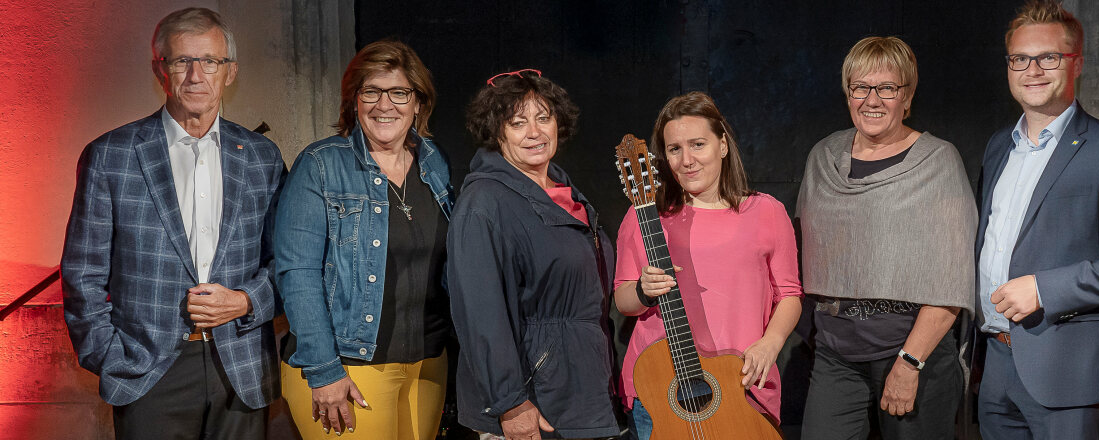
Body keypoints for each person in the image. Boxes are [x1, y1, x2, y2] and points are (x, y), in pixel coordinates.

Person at [60, 8, 284, 439]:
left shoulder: (262, 157)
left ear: (230, 72)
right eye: (182, 61)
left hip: (239, 366)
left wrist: (246, 301)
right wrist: (109, 355)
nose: (196, 75)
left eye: (211, 61)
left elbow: (287, 262)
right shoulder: (111, 155)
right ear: (160, 69)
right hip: (147, 373)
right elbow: (82, 273)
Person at [973, 2, 1099, 438]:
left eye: (1049, 58)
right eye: (1020, 59)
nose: (1032, 70)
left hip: (1067, 374)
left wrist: (1043, 289)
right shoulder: (999, 145)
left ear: (1075, 63)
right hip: (994, 366)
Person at [795, 36, 977, 440]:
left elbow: (953, 273)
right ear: (847, 94)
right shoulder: (823, 158)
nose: (871, 99)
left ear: (907, 96)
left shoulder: (937, 161)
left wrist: (910, 362)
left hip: (912, 352)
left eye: (887, 89)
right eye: (860, 87)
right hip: (834, 353)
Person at [274, 40, 455, 439]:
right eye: (371, 91)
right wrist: (324, 372)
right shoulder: (320, 164)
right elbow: (297, 274)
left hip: (427, 364)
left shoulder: (433, 161)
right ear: (354, 101)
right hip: (348, 367)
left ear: (418, 103)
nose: (384, 105)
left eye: (399, 93)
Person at [613, 91, 803, 439]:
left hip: (740, 385)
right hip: (661, 390)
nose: (687, 160)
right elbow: (623, 300)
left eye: (698, 144)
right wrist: (642, 290)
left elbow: (789, 293)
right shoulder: (644, 215)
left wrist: (770, 344)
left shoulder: (765, 212)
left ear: (723, 145)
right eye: (674, 149)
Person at [447, 69, 620, 440]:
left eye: (543, 118)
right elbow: (480, 313)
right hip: (532, 404)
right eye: (518, 122)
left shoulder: (566, 193)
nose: (535, 132)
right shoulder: (484, 203)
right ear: (497, 132)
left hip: (582, 395)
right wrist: (510, 401)